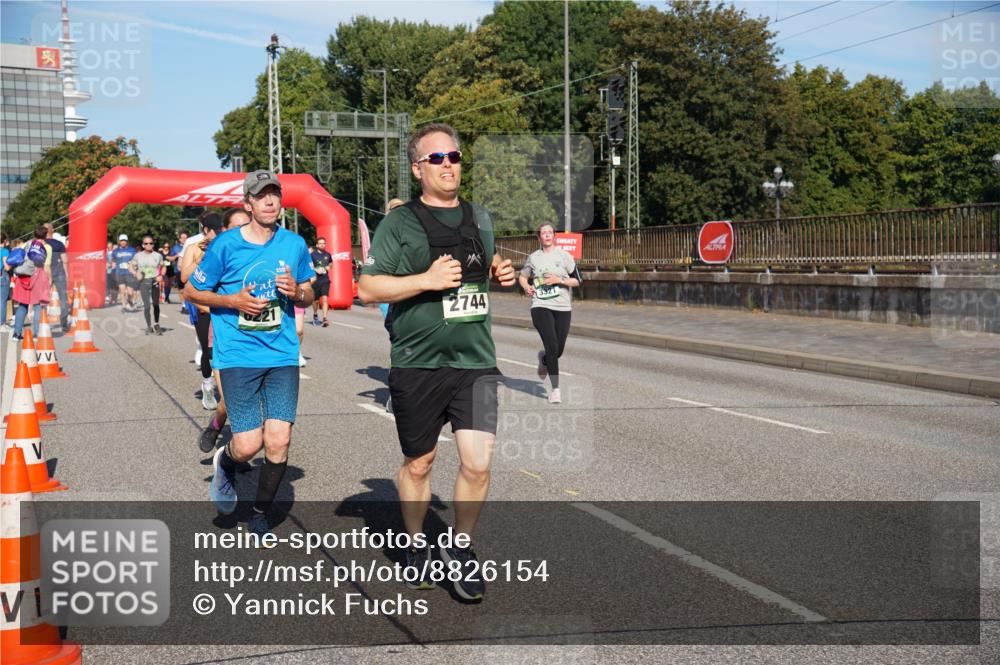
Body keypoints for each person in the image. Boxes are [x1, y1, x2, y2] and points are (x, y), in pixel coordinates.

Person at [358, 123, 516, 601]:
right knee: (420, 463)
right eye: (438, 158)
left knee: (479, 463)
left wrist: (498, 273)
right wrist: (425, 279)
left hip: (476, 361)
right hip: (418, 362)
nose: (449, 165)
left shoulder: (481, 218)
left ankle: (461, 549)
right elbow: (367, 289)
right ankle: (413, 546)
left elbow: (480, 271)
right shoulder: (399, 223)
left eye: (455, 156)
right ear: (417, 169)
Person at [185, 171, 315, 540]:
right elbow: (190, 293)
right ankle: (225, 460)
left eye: (275, 195)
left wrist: (298, 293)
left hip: (282, 354)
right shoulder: (225, 246)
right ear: (248, 204)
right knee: (247, 444)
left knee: (278, 440)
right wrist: (232, 300)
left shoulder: (294, 244)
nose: (270, 202)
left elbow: (308, 290)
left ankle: (259, 513)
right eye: (262, 197)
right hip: (239, 355)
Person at [197, 207, 251, 454]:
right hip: (226, 335)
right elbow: (192, 291)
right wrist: (224, 304)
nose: (241, 232)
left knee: (251, 402)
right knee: (230, 400)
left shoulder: (261, 253)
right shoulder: (215, 254)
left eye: (245, 225)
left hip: (258, 338)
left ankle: (240, 449)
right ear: (225, 230)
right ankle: (217, 426)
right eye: (235, 227)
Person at [517, 222, 580, 404]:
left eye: (550, 232)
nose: (547, 235)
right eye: (543, 233)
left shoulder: (565, 256)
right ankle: (556, 390)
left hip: (562, 307)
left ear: (554, 236)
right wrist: (526, 287)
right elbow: (522, 276)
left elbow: (577, 280)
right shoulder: (534, 258)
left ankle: (544, 359)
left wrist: (558, 279)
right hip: (540, 305)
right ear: (539, 237)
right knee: (552, 345)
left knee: (557, 350)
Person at [181, 213, 225, 410]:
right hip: (201, 304)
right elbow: (184, 277)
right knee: (208, 350)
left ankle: (227, 388)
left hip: (223, 302)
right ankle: (208, 384)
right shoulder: (193, 248)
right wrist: (201, 259)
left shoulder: (226, 246)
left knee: (223, 349)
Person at [12, 233, 52, 339]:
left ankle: (16, 333)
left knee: (23, 305)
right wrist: (49, 280)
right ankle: (36, 334)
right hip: (37, 277)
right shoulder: (45, 247)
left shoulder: (26, 244)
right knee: (38, 305)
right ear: (45, 236)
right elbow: (46, 266)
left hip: (23, 277)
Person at [130, 234, 165, 335]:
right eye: (146, 243)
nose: (149, 245)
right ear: (143, 245)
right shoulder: (138, 256)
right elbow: (131, 266)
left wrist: (161, 275)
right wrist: (135, 273)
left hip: (154, 281)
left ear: (153, 244)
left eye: (151, 243)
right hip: (144, 282)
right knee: (147, 306)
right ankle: (149, 326)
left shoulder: (158, 256)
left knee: (156, 304)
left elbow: (163, 267)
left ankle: (156, 324)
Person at [43, 223, 70, 330]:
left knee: (42, 299)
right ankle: (63, 324)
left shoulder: (40, 244)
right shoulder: (59, 244)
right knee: (63, 299)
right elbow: (65, 260)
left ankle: (42, 322)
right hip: (59, 272)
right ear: (52, 230)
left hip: (44, 273)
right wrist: (66, 274)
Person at [109, 234, 138, 312]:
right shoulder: (115, 251)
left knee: (130, 292)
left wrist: (133, 265)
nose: (123, 242)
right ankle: (124, 305)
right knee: (122, 290)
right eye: (121, 241)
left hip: (129, 273)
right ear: (119, 241)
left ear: (127, 241)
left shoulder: (132, 250)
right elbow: (113, 260)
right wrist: (112, 263)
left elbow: (136, 260)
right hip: (119, 272)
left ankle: (130, 301)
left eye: (124, 240)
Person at [309, 237, 333, 327]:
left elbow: (331, 263)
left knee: (325, 298)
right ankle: (315, 314)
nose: (322, 245)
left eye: (324, 243)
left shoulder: (328, 254)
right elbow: (309, 266)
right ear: (317, 245)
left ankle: (324, 318)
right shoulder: (312, 255)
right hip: (315, 280)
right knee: (315, 301)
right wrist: (315, 269)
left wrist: (329, 267)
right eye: (320, 243)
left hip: (325, 280)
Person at [169, 232, 188, 310]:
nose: (184, 239)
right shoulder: (175, 248)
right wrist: (178, 255)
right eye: (182, 238)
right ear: (180, 239)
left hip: (188, 270)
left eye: (185, 238)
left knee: (188, 288)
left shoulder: (190, 246)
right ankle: (183, 304)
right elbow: (170, 258)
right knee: (181, 289)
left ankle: (188, 304)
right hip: (178, 271)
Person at [1, 233, 11, 328]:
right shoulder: (4, 251)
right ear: (4, 241)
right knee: (2, 301)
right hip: (2, 276)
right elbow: (7, 267)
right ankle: (2, 323)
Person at [105, 241, 116, 305]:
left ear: (112, 246)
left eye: (110, 246)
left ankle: (113, 299)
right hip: (107, 271)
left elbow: (115, 260)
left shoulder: (114, 253)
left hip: (113, 270)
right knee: (107, 284)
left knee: (113, 286)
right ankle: (107, 296)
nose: (109, 247)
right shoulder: (105, 253)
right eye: (108, 246)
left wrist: (111, 264)